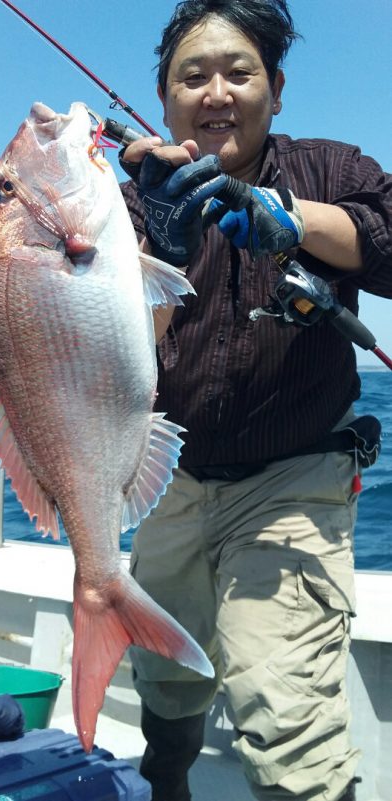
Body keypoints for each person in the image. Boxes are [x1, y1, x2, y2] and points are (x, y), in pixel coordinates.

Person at [118, 2, 392, 800]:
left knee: (286, 718)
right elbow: (121, 345)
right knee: (165, 680)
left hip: (293, 481)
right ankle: (167, 781)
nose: (216, 92)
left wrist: (289, 220)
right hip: (170, 479)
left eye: (239, 72)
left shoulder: (331, 170)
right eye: (192, 76)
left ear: (275, 87)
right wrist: (159, 246)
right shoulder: (136, 199)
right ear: (165, 100)